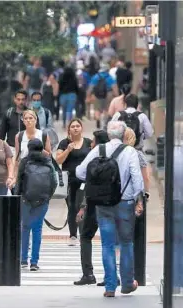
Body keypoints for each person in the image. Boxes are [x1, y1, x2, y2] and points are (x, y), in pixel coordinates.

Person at [75, 121, 144, 297]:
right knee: (126, 243)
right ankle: (127, 283)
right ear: (123, 134)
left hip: (103, 203)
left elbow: (80, 172)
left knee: (107, 244)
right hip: (125, 202)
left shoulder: (99, 150)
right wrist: (139, 200)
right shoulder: (130, 152)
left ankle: (110, 286)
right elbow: (137, 178)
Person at [73, 129, 110, 285]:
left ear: (96, 142)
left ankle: (88, 274)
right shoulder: (121, 150)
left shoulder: (96, 151)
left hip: (94, 201)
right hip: (113, 200)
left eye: (93, 141)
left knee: (86, 236)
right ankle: (112, 275)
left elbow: (80, 172)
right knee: (109, 240)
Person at [15, 138, 57, 271]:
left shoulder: (25, 162)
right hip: (42, 200)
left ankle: (23, 260)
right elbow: (54, 182)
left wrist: (18, 196)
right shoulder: (48, 162)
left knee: (25, 227)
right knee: (37, 229)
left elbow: (19, 181)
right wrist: (47, 197)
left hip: (26, 199)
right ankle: (34, 262)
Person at [55, 119, 92, 246]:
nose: (75, 128)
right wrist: (68, 150)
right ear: (69, 129)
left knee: (82, 206)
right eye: (73, 126)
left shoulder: (88, 142)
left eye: (78, 126)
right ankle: (73, 235)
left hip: (84, 181)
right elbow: (58, 161)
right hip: (69, 181)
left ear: (81, 128)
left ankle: (84, 233)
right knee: (72, 206)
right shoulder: (64, 143)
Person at [112, 94, 154, 197]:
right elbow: (149, 133)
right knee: (145, 172)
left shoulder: (118, 115)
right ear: (137, 104)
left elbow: (111, 132)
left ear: (125, 104)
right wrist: (140, 137)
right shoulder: (142, 116)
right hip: (137, 150)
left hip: (120, 151)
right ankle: (145, 193)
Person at [86, 63, 118, 129]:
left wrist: (88, 96)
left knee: (97, 109)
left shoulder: (95, 77)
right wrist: (116, 96)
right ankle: (105, 123)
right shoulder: (110, 77)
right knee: (106, 109)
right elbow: (114, 87)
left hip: (97, 95)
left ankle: (98, 119)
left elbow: (90, 87)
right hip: (108, 94)